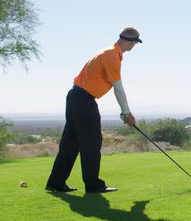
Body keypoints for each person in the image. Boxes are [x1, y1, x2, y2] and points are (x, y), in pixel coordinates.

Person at [45, 28, 141, 193]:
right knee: (92, 142)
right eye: (135, 43)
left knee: (70, 143)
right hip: (84, 100)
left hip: (75, 97)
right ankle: (93, 185)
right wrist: (127, 113)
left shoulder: (109, 52)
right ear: (131, 42)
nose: (134, 46)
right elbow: (118, 88)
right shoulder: (112, 56)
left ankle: (56, 182)